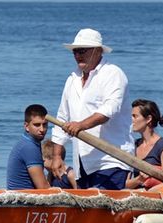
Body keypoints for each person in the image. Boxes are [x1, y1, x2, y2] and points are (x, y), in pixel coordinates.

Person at [49, 28, 135, 190]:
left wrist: (80, 125)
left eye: (82, 51)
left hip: (111, 160)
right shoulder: (72, 80)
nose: (78, 55)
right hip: (83, 163)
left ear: (97, 51)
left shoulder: (113, 74)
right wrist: (57, 156)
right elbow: (62, 119)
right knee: (89, 209)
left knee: (99, 206)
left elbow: (109, 110)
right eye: (75, 51)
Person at [126, 99, 163, 189]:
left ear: (148, 119)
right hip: (135, 198)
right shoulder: (133, 145)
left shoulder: (162, 146)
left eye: (135, 116)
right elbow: (126, 184)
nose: (131, 120)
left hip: (156, 199)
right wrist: (140, 179)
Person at [6, 104, 52, 190]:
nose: (42, 129)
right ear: (26, 126)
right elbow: (43, 188)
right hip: (23, 200)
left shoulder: (25, 141)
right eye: (37, 125)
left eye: (45, 125)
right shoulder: (29, 147)